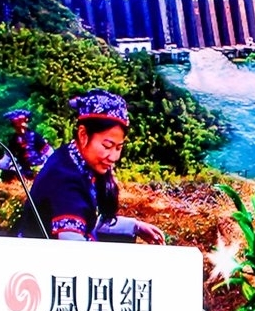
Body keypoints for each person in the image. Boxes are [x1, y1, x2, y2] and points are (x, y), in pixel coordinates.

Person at [24, 89, 165, 243]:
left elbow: (88, 220)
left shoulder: (76, 160)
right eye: (107, 146)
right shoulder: (65, 179)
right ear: (83, 135)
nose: (114, 157)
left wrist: (135, 226)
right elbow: (72, 243)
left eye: (118, 147)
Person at [0, 108, 52, 179]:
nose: (21, 130)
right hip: (25, 174)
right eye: (17, 127)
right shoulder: (13, 141)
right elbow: (8, 158)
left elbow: (49, 153)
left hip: (42, 169)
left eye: (22, 127)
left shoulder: (35, 137)